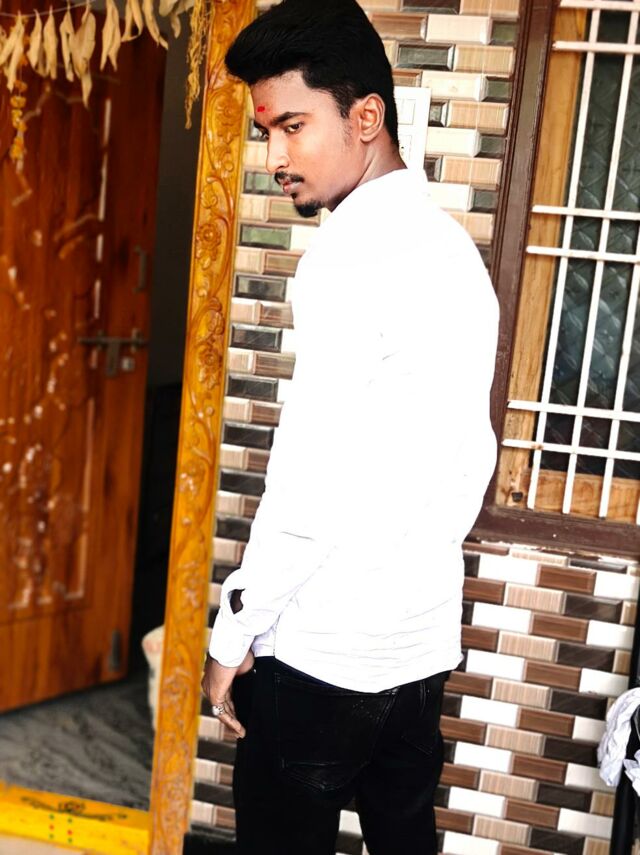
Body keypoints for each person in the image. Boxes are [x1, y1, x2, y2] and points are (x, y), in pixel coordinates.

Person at [201, 1, 499, 852]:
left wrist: (235, 628)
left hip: (323, 656)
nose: (274, 158)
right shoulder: (453, 252)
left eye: (293, 126)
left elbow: (311, 483)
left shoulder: (346, 259)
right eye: (266, 132)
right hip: (417, 648)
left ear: (366, 117)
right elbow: (469, 459)